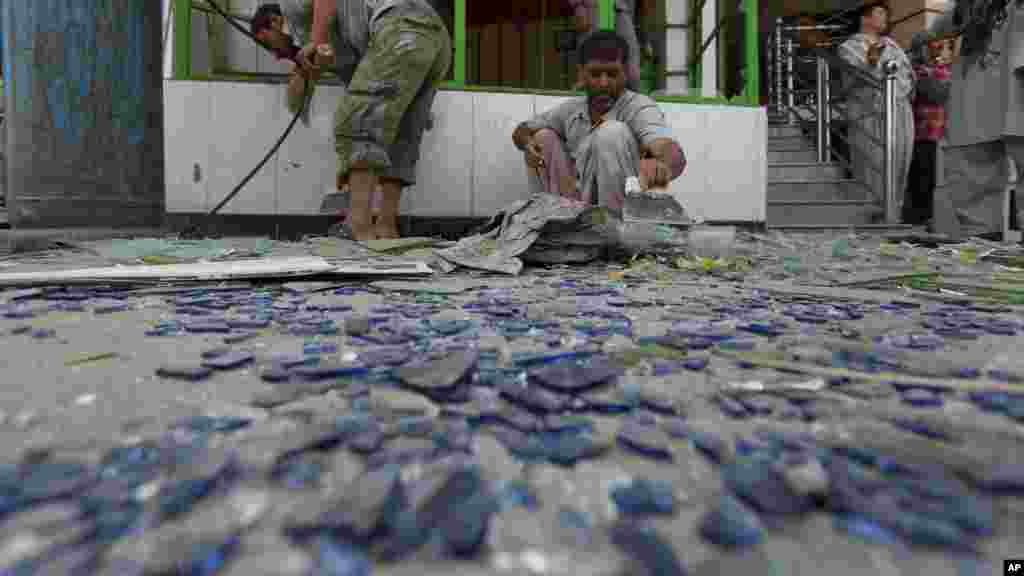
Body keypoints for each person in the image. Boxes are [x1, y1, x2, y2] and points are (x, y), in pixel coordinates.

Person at [251, 1, 452, 241]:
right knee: (398, 132)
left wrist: (317, 40)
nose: (274, 54)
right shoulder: (343, 37)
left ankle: (358, 226)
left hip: (399, 24)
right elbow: (357, 86)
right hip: (435, 37)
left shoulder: (291, 8)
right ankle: (386, 227)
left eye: (266, 42)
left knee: (355, 123)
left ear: (275, 22)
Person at [510, 30, 686, 216]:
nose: (603, 83)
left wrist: (661, 162)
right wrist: (527, 144)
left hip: (625, 214)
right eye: (595, 74)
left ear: (625, 73)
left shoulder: (639, 107)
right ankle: (553, 219)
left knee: (610, 132)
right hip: (579, 209)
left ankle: (613, 225)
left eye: (612, 74)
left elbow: (661, 143)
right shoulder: (571, 110)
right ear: (582, 74)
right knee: (541, 137)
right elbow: (523, 130)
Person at [921, 0, 1024, 240]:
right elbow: (934, 38)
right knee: (973, 178)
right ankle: (983, 243)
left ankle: (982, 240)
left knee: (975, 176)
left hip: (1000, 91)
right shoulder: (964, 10)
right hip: (978, 94)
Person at [837, 0, 915, 221]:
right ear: (865, 18)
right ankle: (871, 215)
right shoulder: (849, 46)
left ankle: (893, 212)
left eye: (885, 14)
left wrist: (902, 87)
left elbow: (907, 74)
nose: (885, 18)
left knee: (899, 159)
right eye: (880, 13)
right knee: (872, 160)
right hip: (869, 110)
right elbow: (853, 81)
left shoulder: (892, 44)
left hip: (899, 107)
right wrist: (869, 64)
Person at [903, 34, 953, 225]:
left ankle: (929, 219)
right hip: (922, 133)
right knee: (922, 180)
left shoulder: (940, 69)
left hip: (941, 134)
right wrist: (948, 81)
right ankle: (918, 221)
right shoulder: (916, 70)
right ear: (920, 49)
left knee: (935, 181)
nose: (937, 51)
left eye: (939, 47)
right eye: (932, 47)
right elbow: (936, 93)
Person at [569, 0, 642, 91]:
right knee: (589, 54)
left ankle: (632, 90)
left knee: (632, 70)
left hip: (619, 7)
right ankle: (584, 88)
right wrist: (578, 5)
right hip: (592, 7)